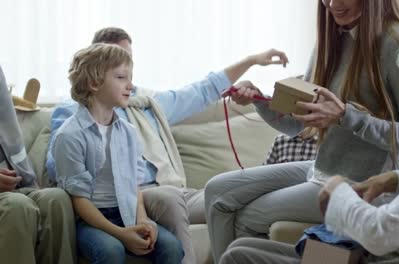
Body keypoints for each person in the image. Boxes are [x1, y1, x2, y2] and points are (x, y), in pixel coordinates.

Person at [219, 27, 399, 264]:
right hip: (372, 253)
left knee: (237, 257)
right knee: (240, 250)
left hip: (382, 256)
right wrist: (392, 179)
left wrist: (339, 191)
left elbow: (379, 233)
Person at [46, 27, 289, 263]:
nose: (128, 79)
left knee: (232, 198)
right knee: (168, 199)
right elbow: (61, 170)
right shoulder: (71, 117)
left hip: (162, 192)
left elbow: (202, 91)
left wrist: (251, 61)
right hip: (134, 198)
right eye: (117, 69)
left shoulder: (145, 106)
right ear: (95, 73)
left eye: (128, 63)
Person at [53, 43, 186, 263]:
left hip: (127, 212)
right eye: (122, 77)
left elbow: (134, 185)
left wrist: (143, 221)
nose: (131, 86)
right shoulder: (69, 135)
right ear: (94, 83)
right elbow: (79, 200)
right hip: (89, 220)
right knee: (111, 250)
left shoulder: (128, 132)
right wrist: (120, 234)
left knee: (171, 247)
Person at [0, 65, 76, 263]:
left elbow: (11, 137)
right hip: (9, 198)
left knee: (56, 199)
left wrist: (29, 180)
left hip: (11, 183)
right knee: (16, 206)